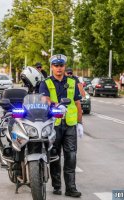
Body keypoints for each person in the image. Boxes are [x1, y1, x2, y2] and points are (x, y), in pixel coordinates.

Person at [39, 54, 83, 198]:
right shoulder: (45, 83)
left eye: (61, 66)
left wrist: (80, 123)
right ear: (51, 67)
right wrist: (56, 105)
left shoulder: (71, 82)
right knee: (54, 156)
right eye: (56, 66)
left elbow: (77, 103)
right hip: (53, 124)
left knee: (71, 156)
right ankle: (57, 185)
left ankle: (71, 188)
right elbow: (44, 99)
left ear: (64, 67)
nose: (59, 68)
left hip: (70, 124)